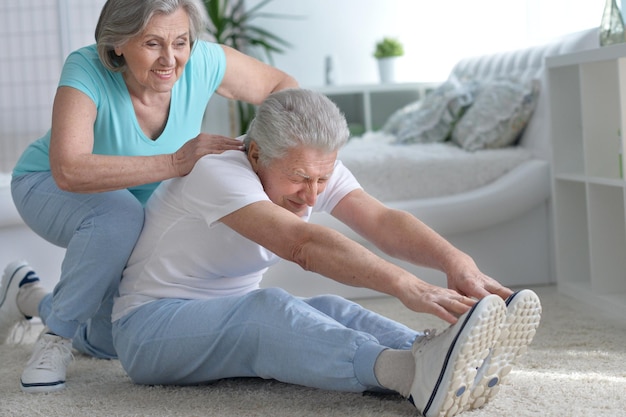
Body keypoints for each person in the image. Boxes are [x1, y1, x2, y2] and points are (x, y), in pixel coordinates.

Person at [109, 88, 542, 417]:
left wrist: (456, 262)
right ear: (256, 154)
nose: (312, 195)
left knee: (334, 308)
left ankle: (442, 355)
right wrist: (407, 285)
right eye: (299, 179)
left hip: (224, 313)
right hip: (149, 331)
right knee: (269, 309)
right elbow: (303, 244)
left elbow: (382, 222)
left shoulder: (310, 163)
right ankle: (408, 373)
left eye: (322, 179)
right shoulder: (217, 171)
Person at [0, 0, 297, 393]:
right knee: (118, 215)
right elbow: (68, 170)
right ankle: (56, 337)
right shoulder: (86, 67)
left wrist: (263, 149)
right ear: (119, 42)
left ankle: (28, 295)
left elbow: (284, 88)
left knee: (112, 337)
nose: (170, 59)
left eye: (180, 42)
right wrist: (177, 162)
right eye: (153, 43)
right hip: (48, 185)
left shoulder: (204, 62)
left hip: (136, 206)